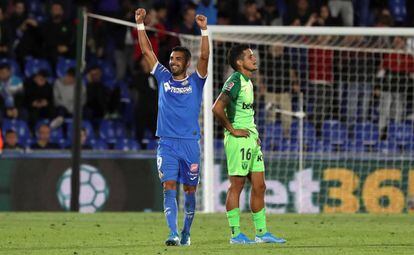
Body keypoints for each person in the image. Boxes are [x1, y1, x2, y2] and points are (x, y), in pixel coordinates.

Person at [135, 8, 209, 246]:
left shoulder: (196, 81)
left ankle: (187, 232)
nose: (172, 62)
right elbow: (147, 51)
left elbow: (205, 58)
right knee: (168, 187)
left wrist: (204, 30)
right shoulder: (164, 78)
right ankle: (173, 233)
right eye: (171, 59)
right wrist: (140, 25)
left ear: (187, 62)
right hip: (166, 142)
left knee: (189, 191)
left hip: (189, 144)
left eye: (178, 59)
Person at [212, 44, 286, 244]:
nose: (254, 59)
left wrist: (253, 134)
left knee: (260, 186)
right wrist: (232, 130)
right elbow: (217, 108)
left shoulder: (248, 82)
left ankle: (261, 233)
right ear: (239, 62)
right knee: (237, 185)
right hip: (238, 139)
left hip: (251, 138)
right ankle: (235, 234)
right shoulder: (235, 80)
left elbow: (245, 112)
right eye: (250, 56)